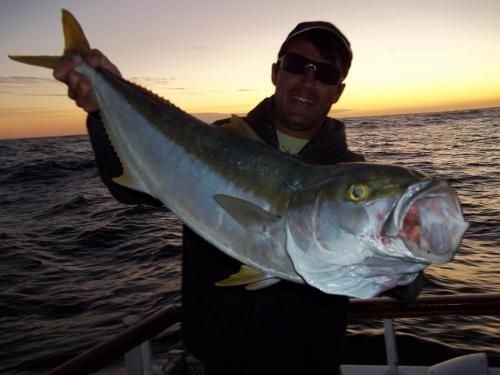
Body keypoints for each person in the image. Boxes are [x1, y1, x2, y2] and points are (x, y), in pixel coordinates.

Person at [54, 21, 418, 375]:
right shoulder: (218, 141)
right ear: (276, 72)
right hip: (211, 361)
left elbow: (401, 284)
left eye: (325, 74)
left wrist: (410, 252)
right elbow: (129, 188)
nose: (308, 81)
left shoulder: (353, 180)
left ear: (338, 91)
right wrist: (102, 108)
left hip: (309, 366)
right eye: (296, 65)